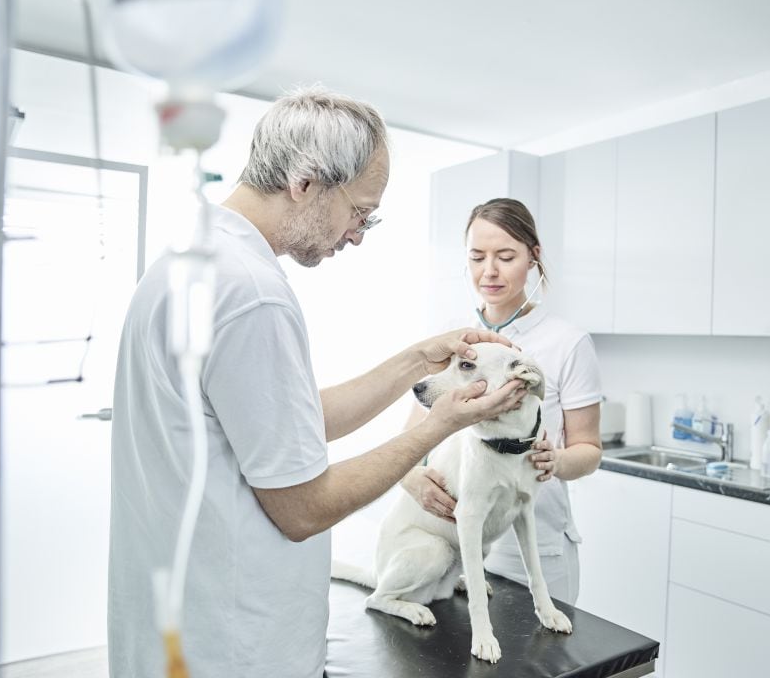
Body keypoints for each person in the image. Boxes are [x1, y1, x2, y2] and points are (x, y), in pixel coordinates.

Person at [107, 87, 527, 678]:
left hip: (177, 629)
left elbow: (289, 422)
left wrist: (415, 361)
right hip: (235, 647)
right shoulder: (252, 295)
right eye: (359, 211)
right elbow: (304, 508)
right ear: (306, 182)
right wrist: (439, 426)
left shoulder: (192, 261)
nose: (357, 234)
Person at [401, 197, 603, 604]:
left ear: (534, 257)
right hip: (459, 544)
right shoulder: (451, 336)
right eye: (477, 257)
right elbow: (412, 437)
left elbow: (590, 450)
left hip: (534, 546)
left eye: (506, 256)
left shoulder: (567, 342)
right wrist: (411, 480)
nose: (489, 271)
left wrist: (558, 461)